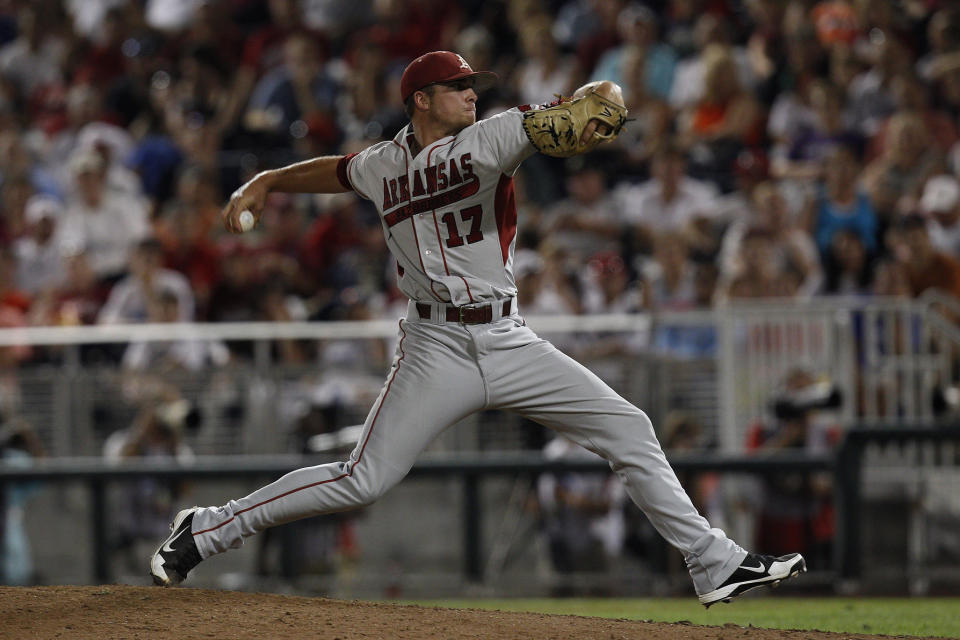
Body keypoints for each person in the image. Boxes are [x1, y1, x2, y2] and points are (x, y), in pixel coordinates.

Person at [149, 50, 805, 607]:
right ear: (423, 101)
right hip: (434, 347)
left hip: (507, 337)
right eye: (459, 87)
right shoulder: (383, 163)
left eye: (473, 87)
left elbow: (579, 110)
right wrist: (267, 180)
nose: (471, 94)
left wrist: (596, 102)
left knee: (627, 425)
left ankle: (713, 563)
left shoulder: (492, 137)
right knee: (364, 478)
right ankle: (206, 530)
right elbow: (337, 170)